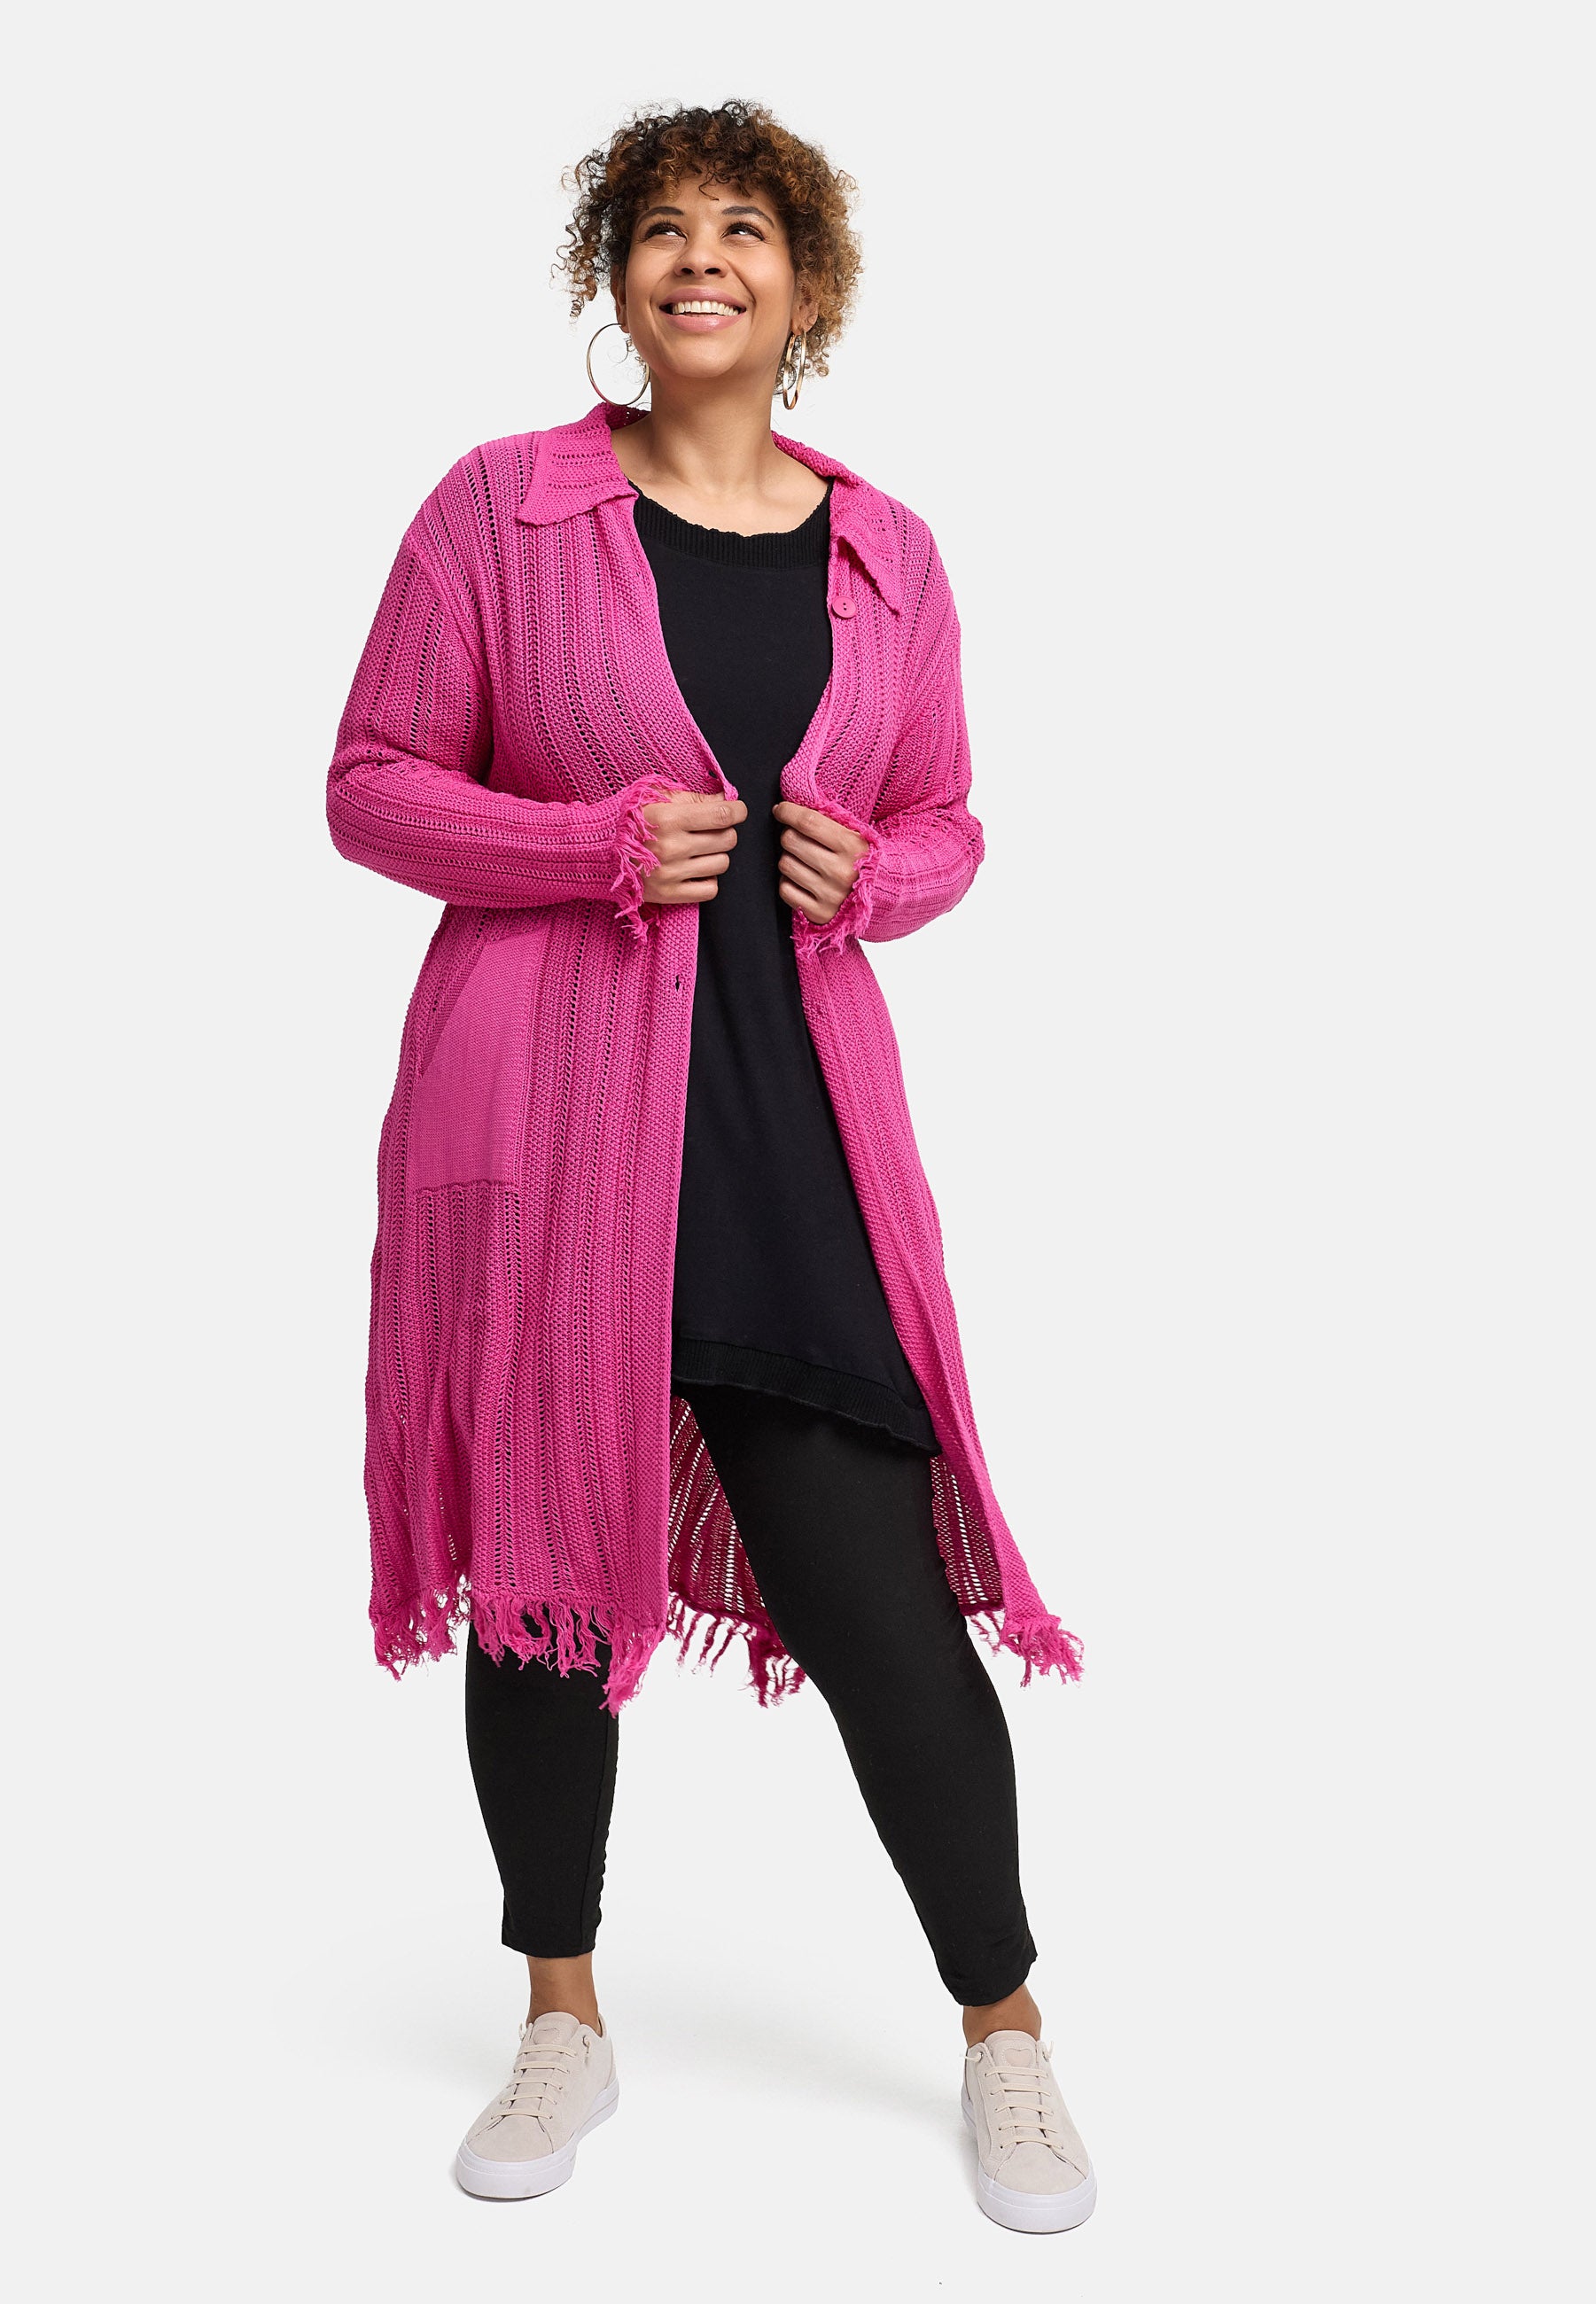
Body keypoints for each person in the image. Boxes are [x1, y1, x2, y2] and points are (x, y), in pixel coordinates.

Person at [324, 98, 1094, 2235]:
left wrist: (883, 874)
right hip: (543, 1124)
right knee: (541, 1591)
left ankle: (1005, 2031)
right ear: (618, 278)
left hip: (786, 1129)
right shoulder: (498, 512)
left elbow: (947, 814)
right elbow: (371, 784)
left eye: (742, 228)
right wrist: (583, 845)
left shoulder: (887, 552)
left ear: (801, 285)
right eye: (660, 228)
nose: (698, 259)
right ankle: (560, 2010)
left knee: (880, 1611)